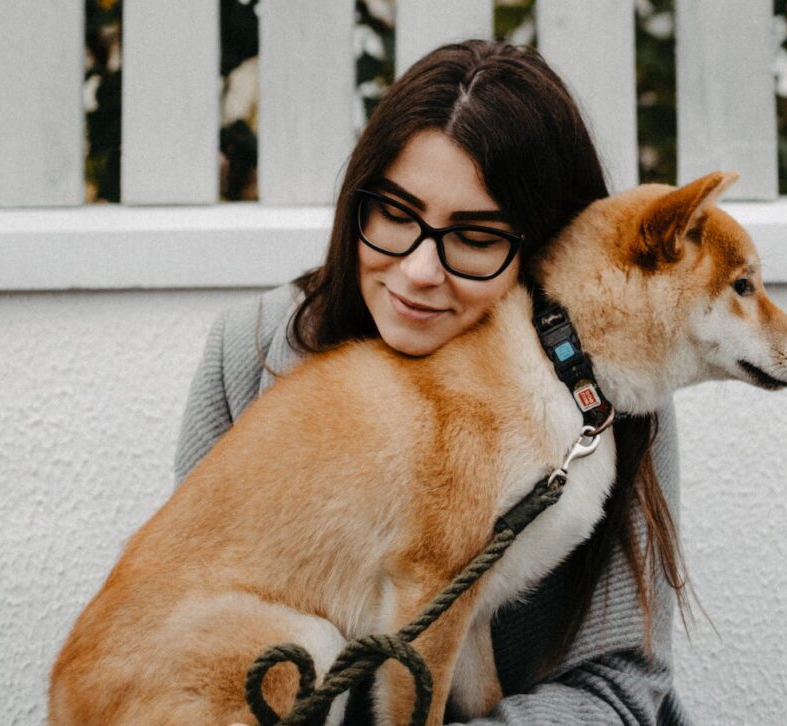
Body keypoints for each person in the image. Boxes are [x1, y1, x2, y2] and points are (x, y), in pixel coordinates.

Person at [174, 40, 692, 725]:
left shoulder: (604, 399)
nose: (419, 270)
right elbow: (186, 606)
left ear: (542, 253)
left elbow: (623, 686)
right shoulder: (249, 350)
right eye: (394, 212)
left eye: (474, 238)